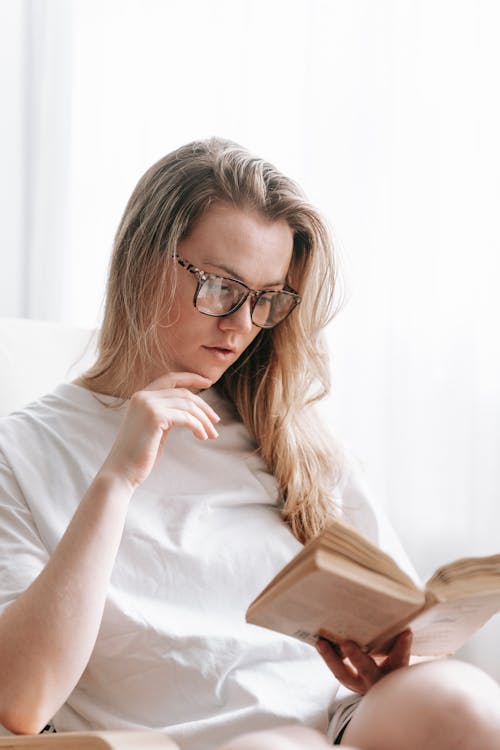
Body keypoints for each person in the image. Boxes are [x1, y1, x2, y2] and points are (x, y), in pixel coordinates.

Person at [0, 137, 499, 750]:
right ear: (144, 263)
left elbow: (401, 628)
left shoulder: (289, 435)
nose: (240, 325)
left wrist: (391, 667)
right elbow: (22, 701)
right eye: (220, 286)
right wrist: (117, 480)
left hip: (344, 727)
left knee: (466, 701)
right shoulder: (24, 449)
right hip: (185, 742)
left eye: (266, 299)